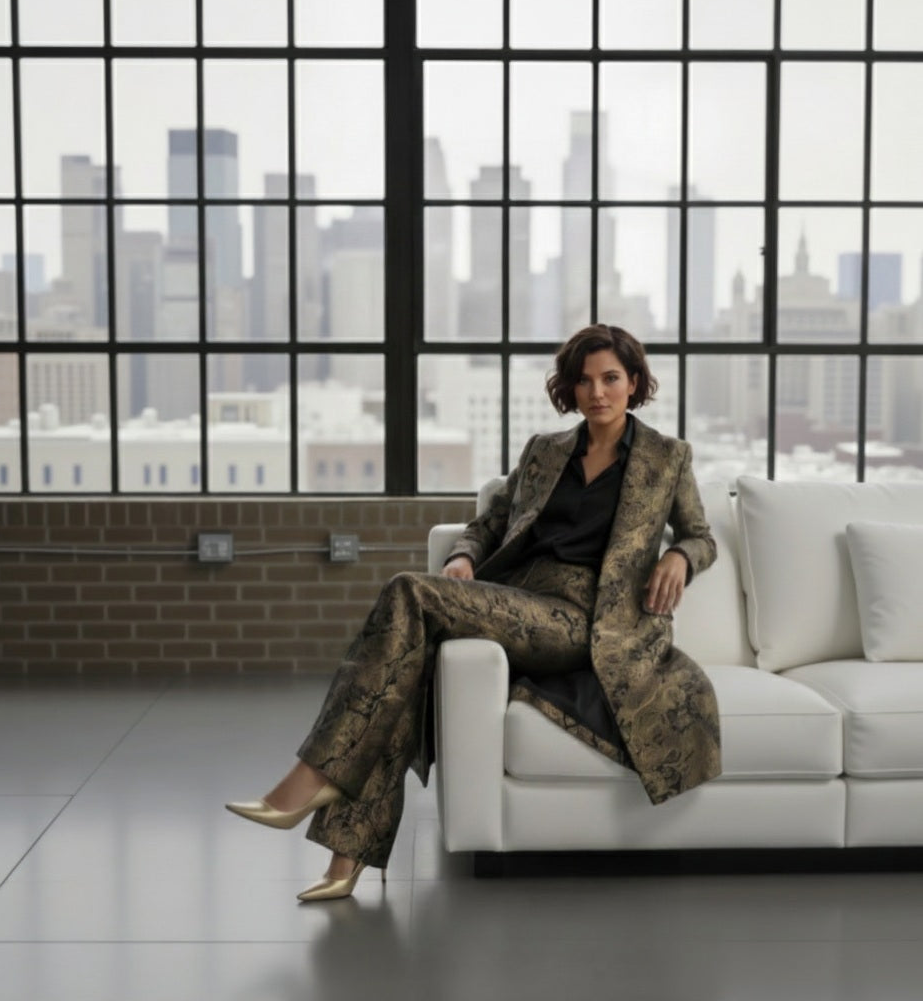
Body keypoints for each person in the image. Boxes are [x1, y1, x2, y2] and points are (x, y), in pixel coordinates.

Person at [227, 323, 721, 900]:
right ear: (569, 389)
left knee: (409, 590)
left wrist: (682, 557)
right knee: (405, 668)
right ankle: (346, 860)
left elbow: (701, 534)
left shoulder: (667, 458)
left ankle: (311, 778)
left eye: (611, 378)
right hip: (516, 596)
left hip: (586, 618)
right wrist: (463, 556)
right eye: (583, 381)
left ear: (634, 383)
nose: (597, 393)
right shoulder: (545, 451)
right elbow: (488, 523)